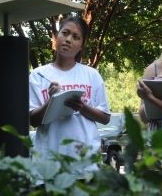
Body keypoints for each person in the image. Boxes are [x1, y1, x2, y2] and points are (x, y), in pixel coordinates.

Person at [29, 16, 111, 173]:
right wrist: (51, 101)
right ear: (56, 36)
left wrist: (82, 107)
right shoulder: (38, 75)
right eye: (65, 33)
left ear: (81, 45)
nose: (68, 39)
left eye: (76, 37)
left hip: (85, 165)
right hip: (49, 164)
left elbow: (105, 118)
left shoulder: (91, 75)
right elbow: (33, 120)